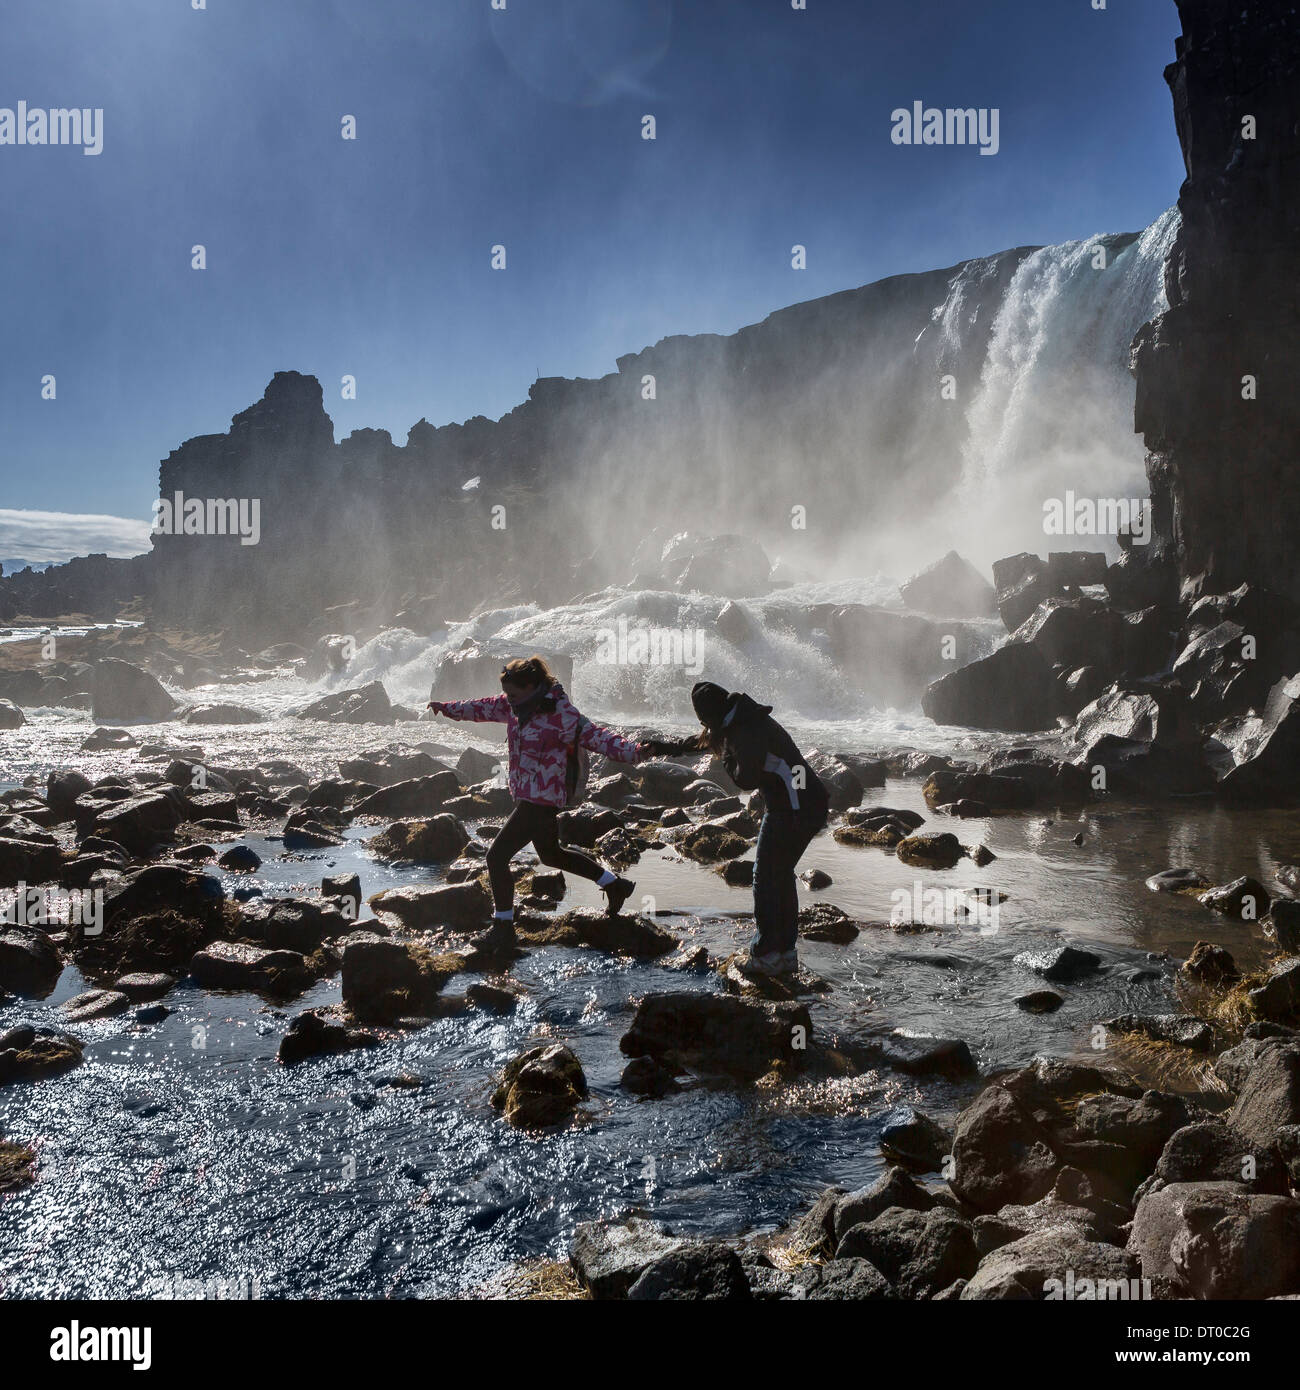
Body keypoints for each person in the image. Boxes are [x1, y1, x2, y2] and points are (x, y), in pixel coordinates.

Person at [427, 656, 649, 921]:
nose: (507, 698)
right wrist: (447, 708)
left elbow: (598, 737)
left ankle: (503, 924)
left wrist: (636, 752)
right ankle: (615, 885)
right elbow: (480, 708)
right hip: (527, 795)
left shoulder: (561, 714)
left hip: (544, 798)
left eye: (512, 692)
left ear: (532, 686)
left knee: (496, 858)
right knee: (551, 855)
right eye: (506, 693)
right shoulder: (513, 706)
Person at [645, 680, 828, 975]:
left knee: (765, 876)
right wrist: (668, 748)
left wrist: (726, 757)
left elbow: (746, 779)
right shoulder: (741, 717)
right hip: (803, 802)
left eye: (703, 720)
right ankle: (784, 954)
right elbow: (705, 739)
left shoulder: (743, 732)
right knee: (778, 875)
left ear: (711, 716)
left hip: (794, 807)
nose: (704, 726)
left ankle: (766, 953)